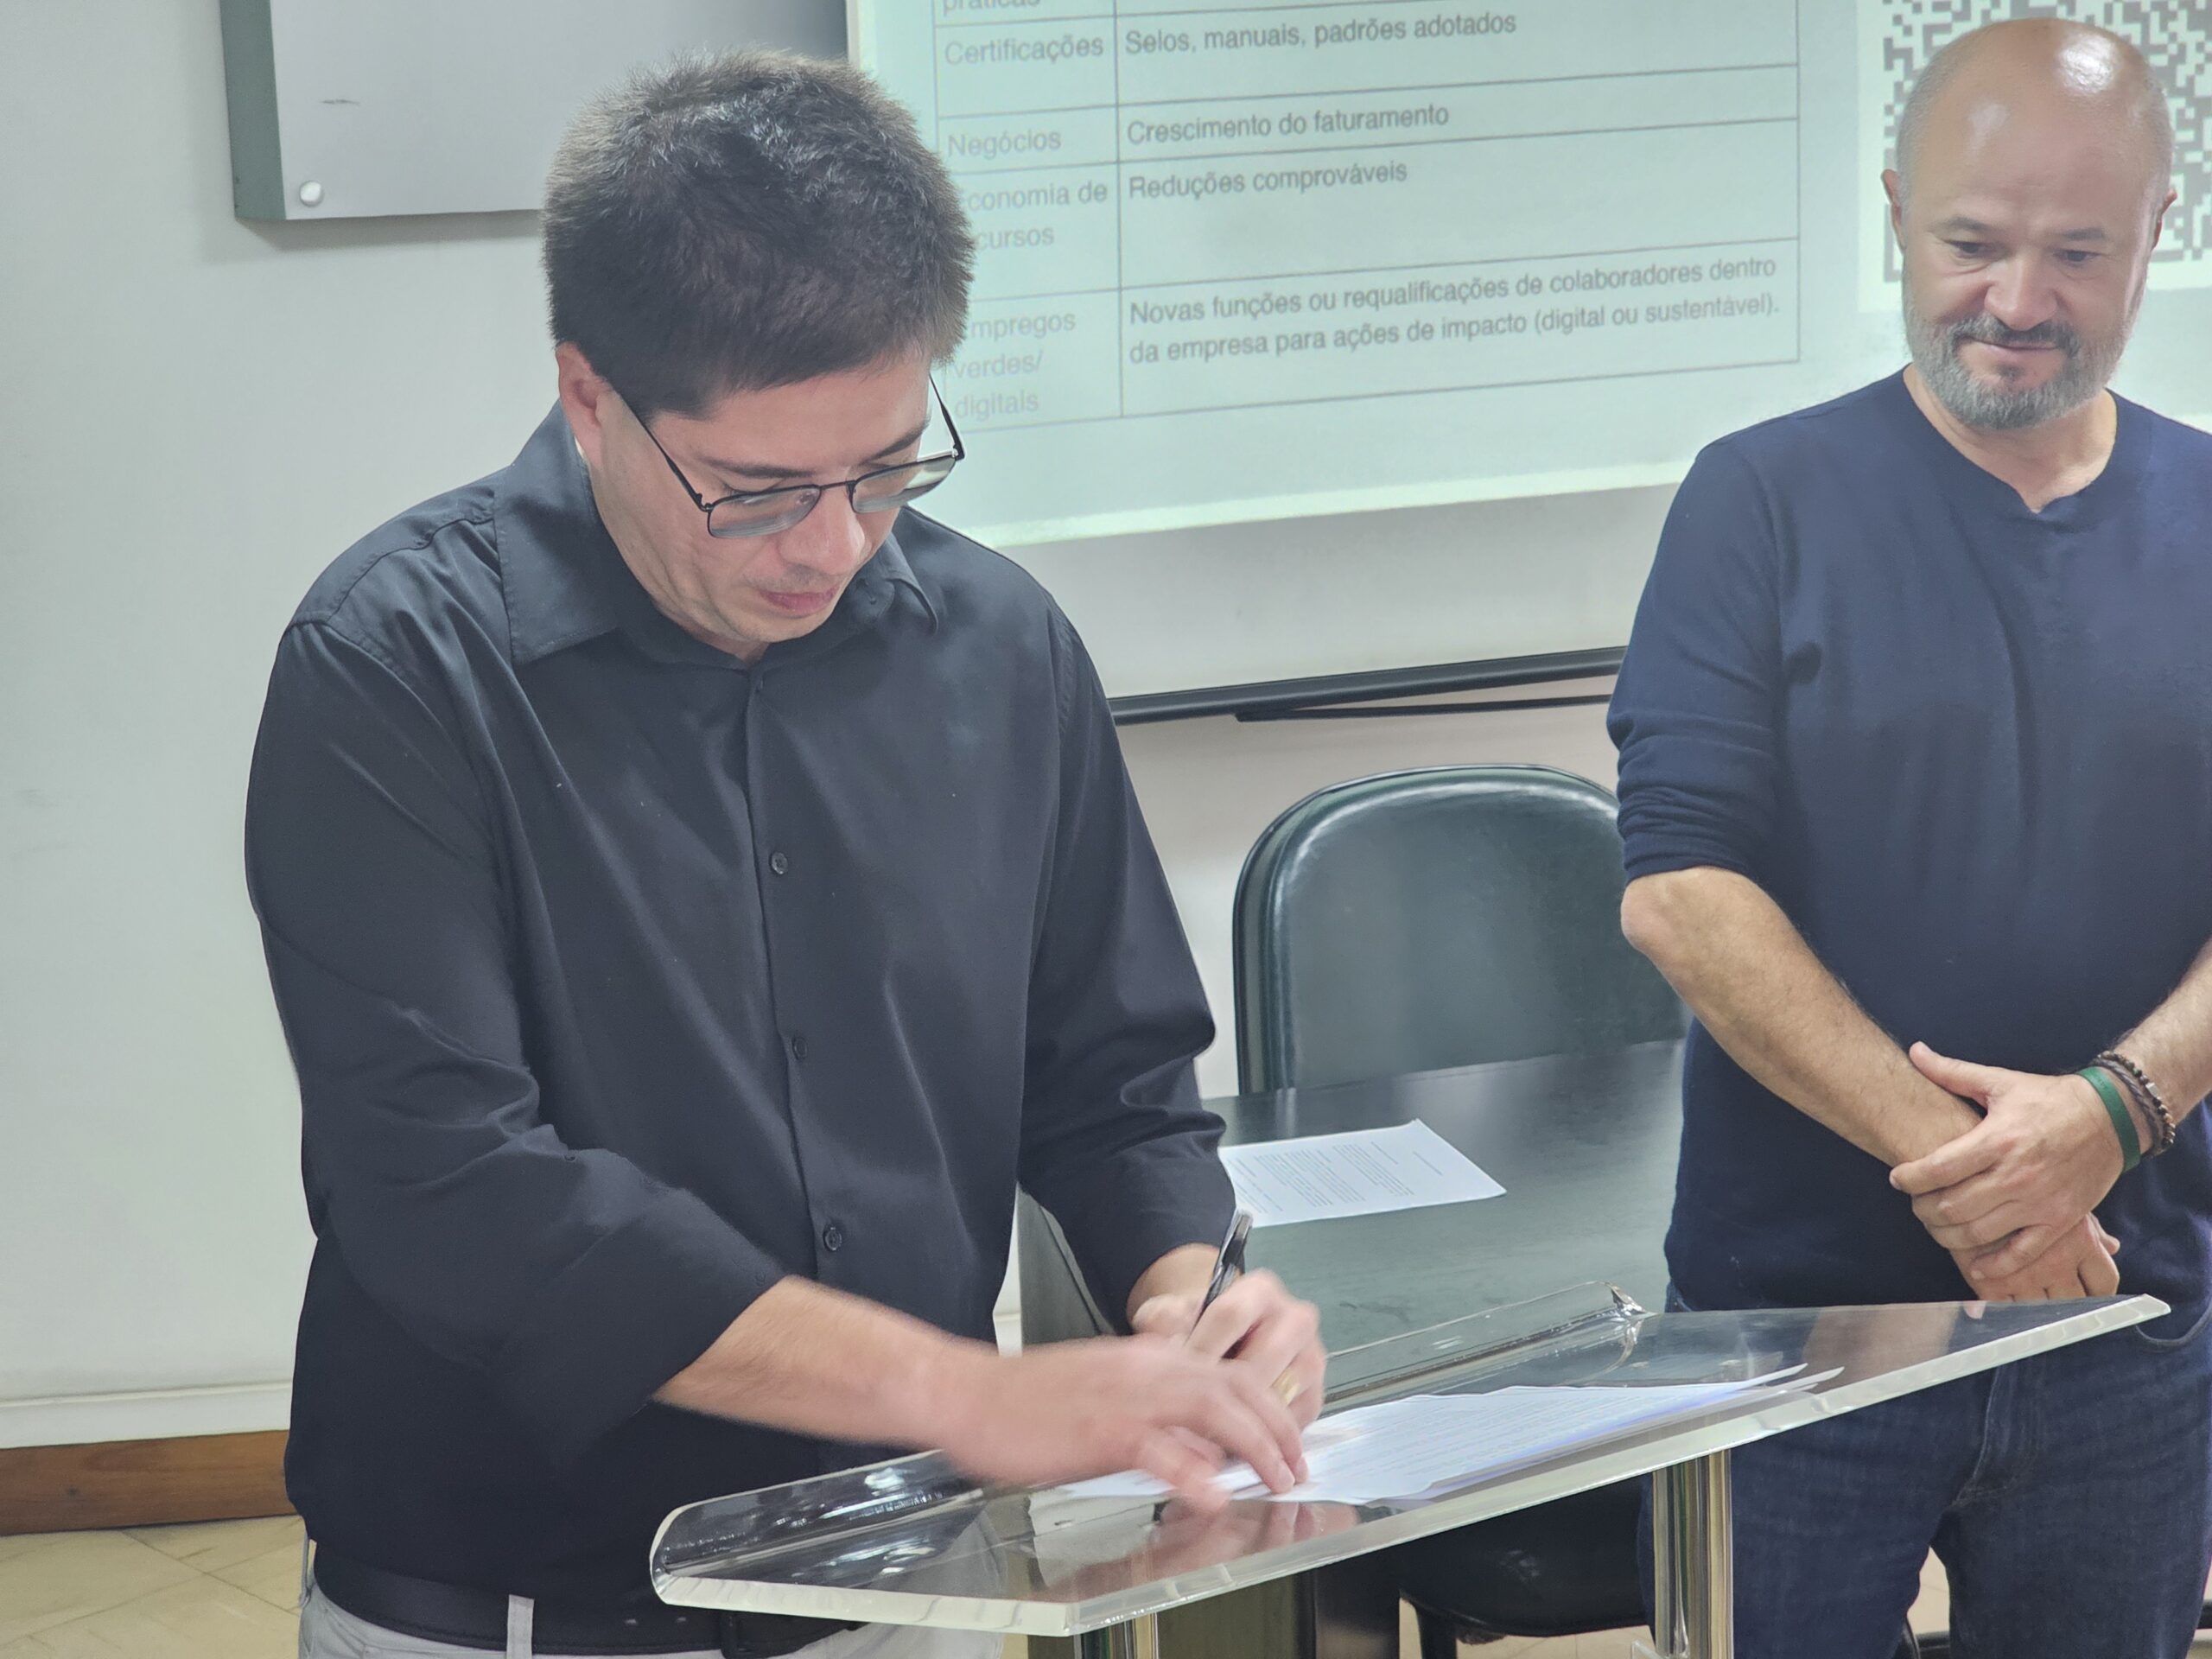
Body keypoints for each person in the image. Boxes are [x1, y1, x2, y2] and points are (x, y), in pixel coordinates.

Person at [245, 52, 1325, 1659]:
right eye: (754, 492)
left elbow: (1110, 1084)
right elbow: (450, 1187)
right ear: (590, 396)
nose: (832, 547)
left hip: (907, 1575)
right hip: (522, 1605)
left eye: (887, 469)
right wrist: (964, 1396)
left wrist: (1190, 1297)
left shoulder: (999, 647)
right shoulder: (396, 662)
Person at [1608, 19, 2212, 1657]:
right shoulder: (1758, 500)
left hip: (2126, 1320)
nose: (2017, 301)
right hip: (1797, 1328)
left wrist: (2114, 1110)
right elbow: (1681, 893)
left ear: (2158, 231)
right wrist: (2002, 1191)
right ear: (1892, 212)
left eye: (2077, 251)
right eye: (1971, 243)